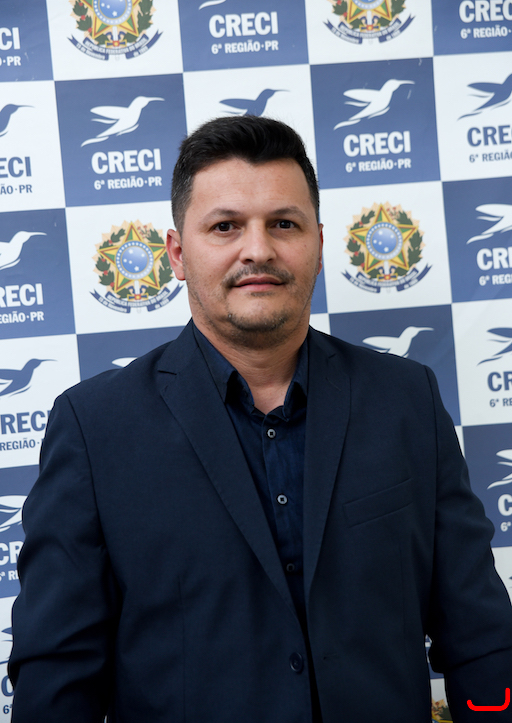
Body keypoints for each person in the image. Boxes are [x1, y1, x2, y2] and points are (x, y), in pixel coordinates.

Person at [8, 116, 512, 723]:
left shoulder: (406, 400)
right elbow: (56, 673)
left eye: (284, 224)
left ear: (318, 245)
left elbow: (481, 636)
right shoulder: (94, 428)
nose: (258, 250)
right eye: (225, 226)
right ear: (177, 254)